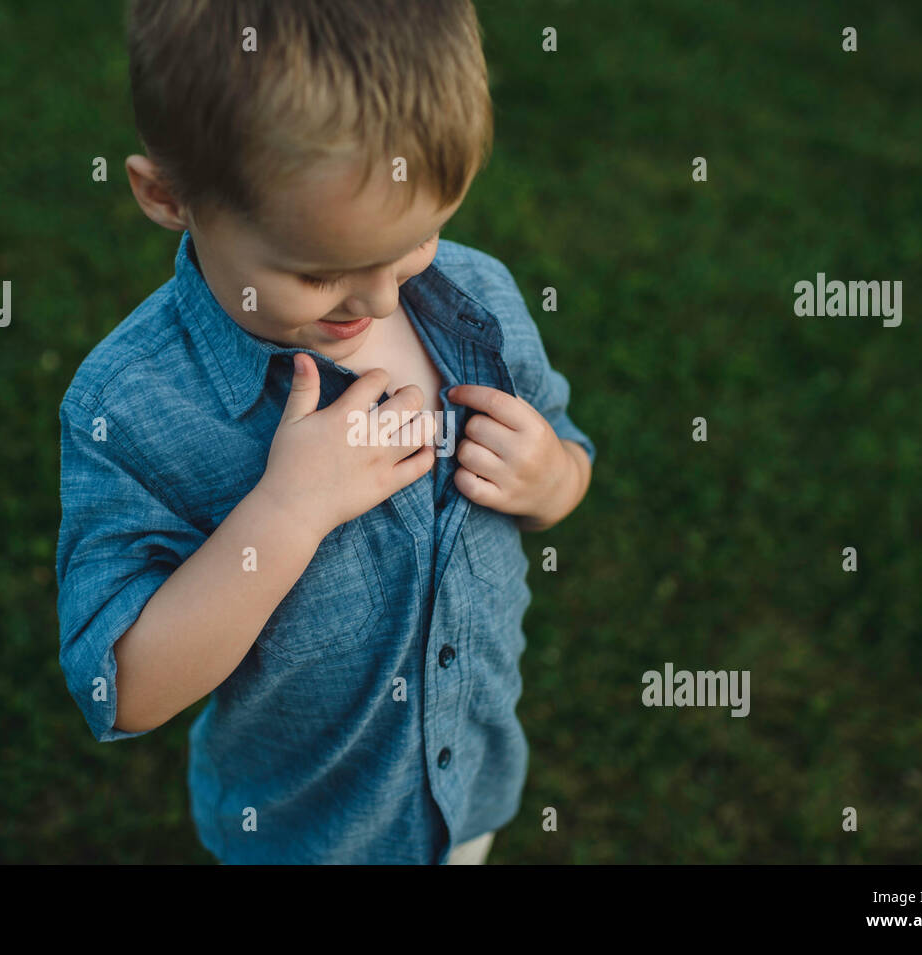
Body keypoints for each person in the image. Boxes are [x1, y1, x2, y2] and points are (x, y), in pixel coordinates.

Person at [56, 0, 596, 864]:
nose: (382, 300)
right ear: (170, 197)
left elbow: (568, 450)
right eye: (318, 273)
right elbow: (121, 688)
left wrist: (554, 478)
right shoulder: (137, 404)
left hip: (465, 798)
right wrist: (286, 514)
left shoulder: (479, 303)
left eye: (419, 238)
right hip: (304, 838)